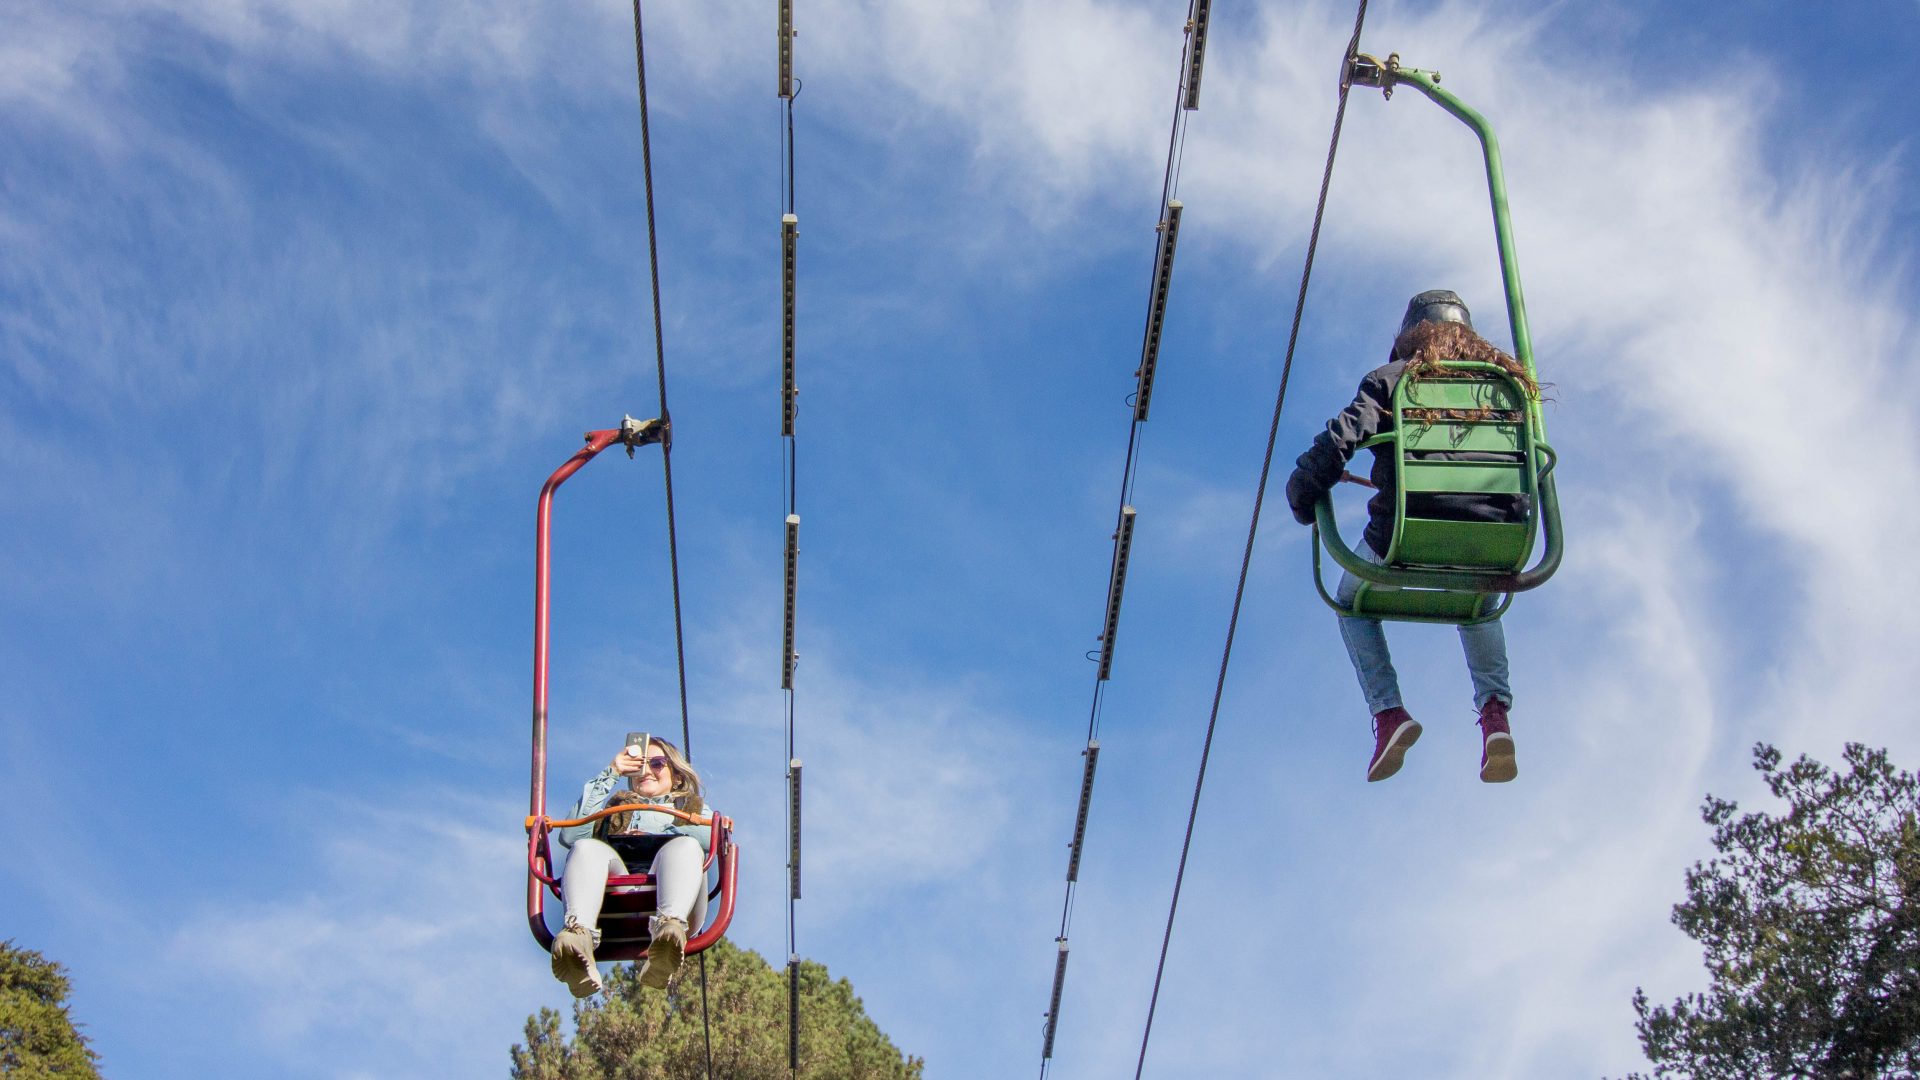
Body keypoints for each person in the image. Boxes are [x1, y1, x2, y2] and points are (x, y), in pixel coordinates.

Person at [1285, 289, 1539, 785]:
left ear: (1408, 336)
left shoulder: (1393, 380)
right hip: (1496, 532)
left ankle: (1388, 715)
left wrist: (1303, 492)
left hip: (1402, 533)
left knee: (1350, 605)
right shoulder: (1509, 389)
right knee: (1477, 598)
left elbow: (1340, 440)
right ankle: (1494, 715)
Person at [549, 733, 711, 997]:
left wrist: (660, 829)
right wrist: (612, 771)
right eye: (640, 764)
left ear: (677, 775)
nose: (646, 770)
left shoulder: (690, 808)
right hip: (620, 893)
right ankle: (579, 937)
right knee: (586, 847)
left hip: (670, 892)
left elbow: (709, 837)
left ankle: (668, 933)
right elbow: (570, 836)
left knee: (686, 846)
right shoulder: (615, 811)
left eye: (657, 763)